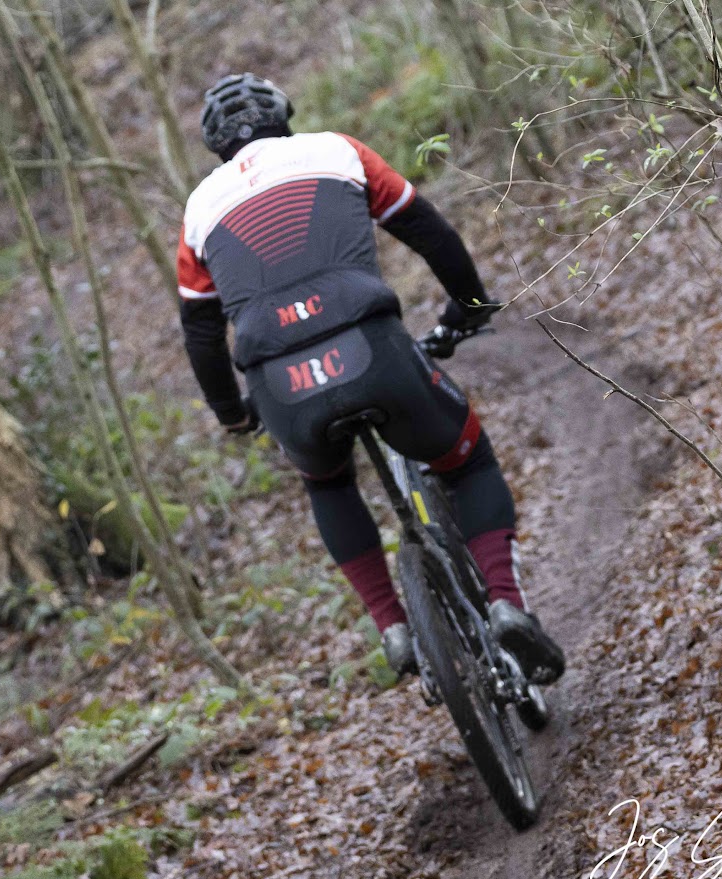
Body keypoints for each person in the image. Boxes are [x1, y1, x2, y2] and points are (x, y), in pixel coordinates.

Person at [176, 73, 564, 684]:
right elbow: (427, 230)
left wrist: (233, 413)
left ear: (215, 145)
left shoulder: (199, 209)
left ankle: (392, 624)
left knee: (327, 484)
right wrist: (469, 306)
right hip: (371, 345)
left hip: (279, 383)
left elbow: (200, 335)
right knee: (466, 460)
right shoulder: (337, 151)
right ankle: (506, 604)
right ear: (284, 113)